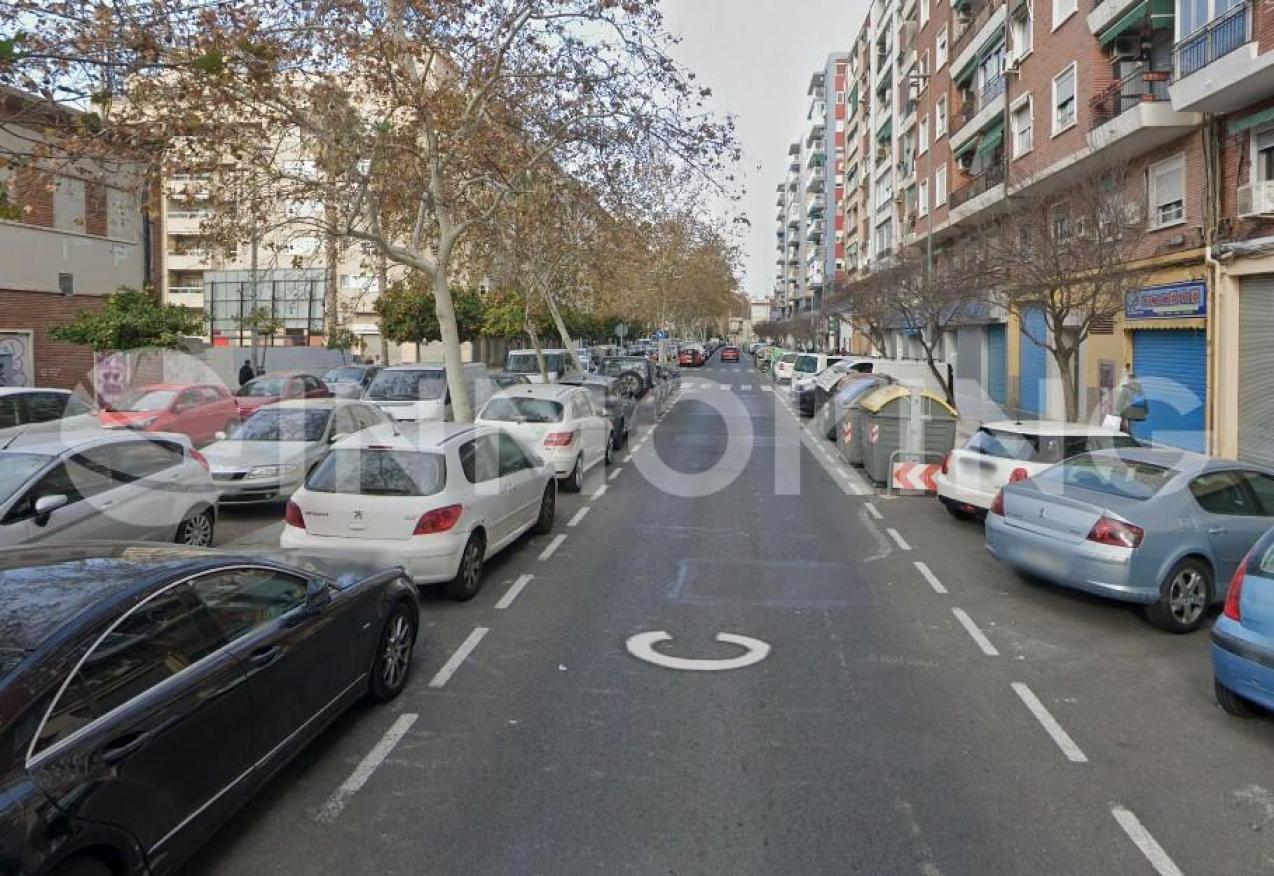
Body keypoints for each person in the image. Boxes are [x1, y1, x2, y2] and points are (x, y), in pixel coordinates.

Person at [1114, 366, 1147, 436]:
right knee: (1128, 420)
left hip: (1128, 410)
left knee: (1121, 419)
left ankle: (1125, 433)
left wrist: (1117, 411)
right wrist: (1146, 411)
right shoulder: (1140, 389)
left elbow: (1120, 400)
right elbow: (1144, 400)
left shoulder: (1126, 388)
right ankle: (1128, 431)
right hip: (1138, 411)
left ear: (1129, 379)